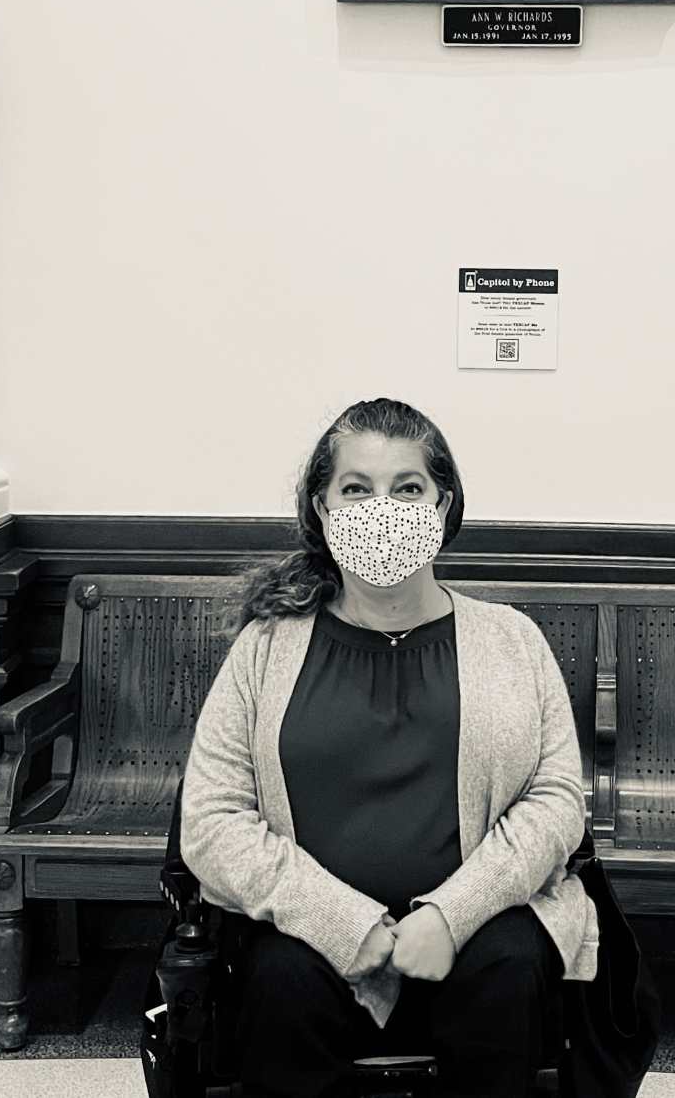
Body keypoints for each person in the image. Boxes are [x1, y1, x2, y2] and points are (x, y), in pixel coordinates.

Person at [180, 397, 598, 1098]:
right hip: (307, 933)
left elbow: (556, 801)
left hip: (478, 927)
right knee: (278, 977)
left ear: (443, 504)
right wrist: (349, 925)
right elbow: (212, 817)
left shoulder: (513, 640)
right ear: (320, 507)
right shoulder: (266, 646)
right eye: (357, 488)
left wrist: (448, 914)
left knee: (511, 963)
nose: (384, 508)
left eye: (407, 487)